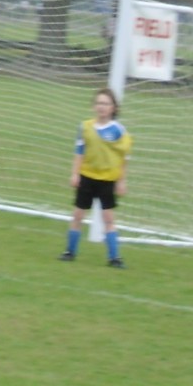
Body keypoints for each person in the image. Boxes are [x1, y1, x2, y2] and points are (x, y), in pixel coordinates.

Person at [59, 88, 133, 269]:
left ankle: (114, 258)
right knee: (77, 215)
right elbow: (79, 152)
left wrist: (121, 181)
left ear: (113, 108)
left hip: (107, 180)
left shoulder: (119, 131)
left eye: (106, 103)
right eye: (99, 103)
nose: (102, 107)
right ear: (93, 106)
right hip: (87, 177)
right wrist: (75, 173)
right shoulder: (85, 127)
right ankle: (70, 252)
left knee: (108, 218)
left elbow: (124, 158)